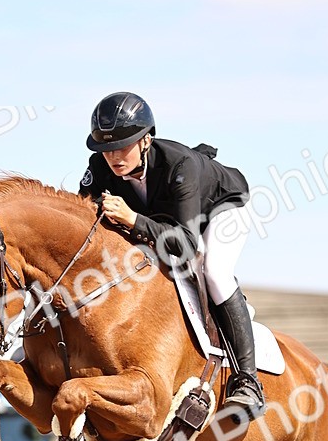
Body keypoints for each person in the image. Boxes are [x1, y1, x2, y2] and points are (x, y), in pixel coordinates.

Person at [79, 91, 265, 422]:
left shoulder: (181, 166)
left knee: (214, 271)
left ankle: (248, 381)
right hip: (167, 222)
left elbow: (186, 246)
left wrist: (134, 220)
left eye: (123, 146)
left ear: (145, 140)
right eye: (107, 149)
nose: (114, 156)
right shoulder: (100, 169)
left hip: (218, 211)